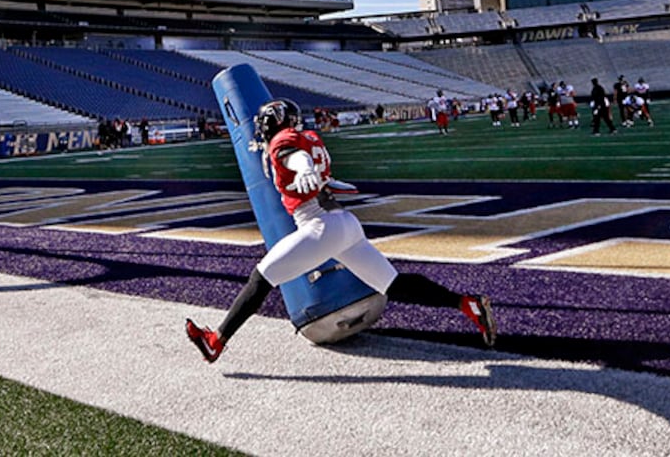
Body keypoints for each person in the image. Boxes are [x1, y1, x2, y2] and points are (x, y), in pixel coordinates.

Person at [184, 99, 495, 364]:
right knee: (393, 283)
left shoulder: (284, 142)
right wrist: (324, 178)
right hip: (345, 224)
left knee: (262, 277)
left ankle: (216, 340)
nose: (261, 132)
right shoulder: (310, 137)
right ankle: (466, 304)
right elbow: (313, 169)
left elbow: (294, 156)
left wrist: (304, 168)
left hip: (320, 226)